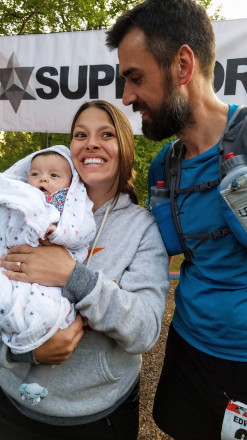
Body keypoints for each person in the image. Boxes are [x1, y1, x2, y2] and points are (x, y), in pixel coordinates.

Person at [106, 1, 247, 439]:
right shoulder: (163, 166)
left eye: (135, 77)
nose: (126, 96)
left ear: (182, 64)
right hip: (186, 346)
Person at [0, 100, 169, 440]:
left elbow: (146, 329)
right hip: (14, 409)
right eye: (81, 134)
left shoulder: (142, 227)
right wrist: (19, 352)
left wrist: (72, 276)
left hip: (101, 416)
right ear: (69, 149)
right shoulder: (20, 212)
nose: (91, 142)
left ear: (125, 149)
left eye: (106, 134)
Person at [0, 145, 96, 405]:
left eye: (54, 176)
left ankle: (37, 377)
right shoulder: (18, 201)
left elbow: (81, 231)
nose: (43, 179)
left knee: (58, 315)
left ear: (70, 184)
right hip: (12, 272)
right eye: (35, 174)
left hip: (50, 283)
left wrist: (56, 231)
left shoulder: (67, 205)